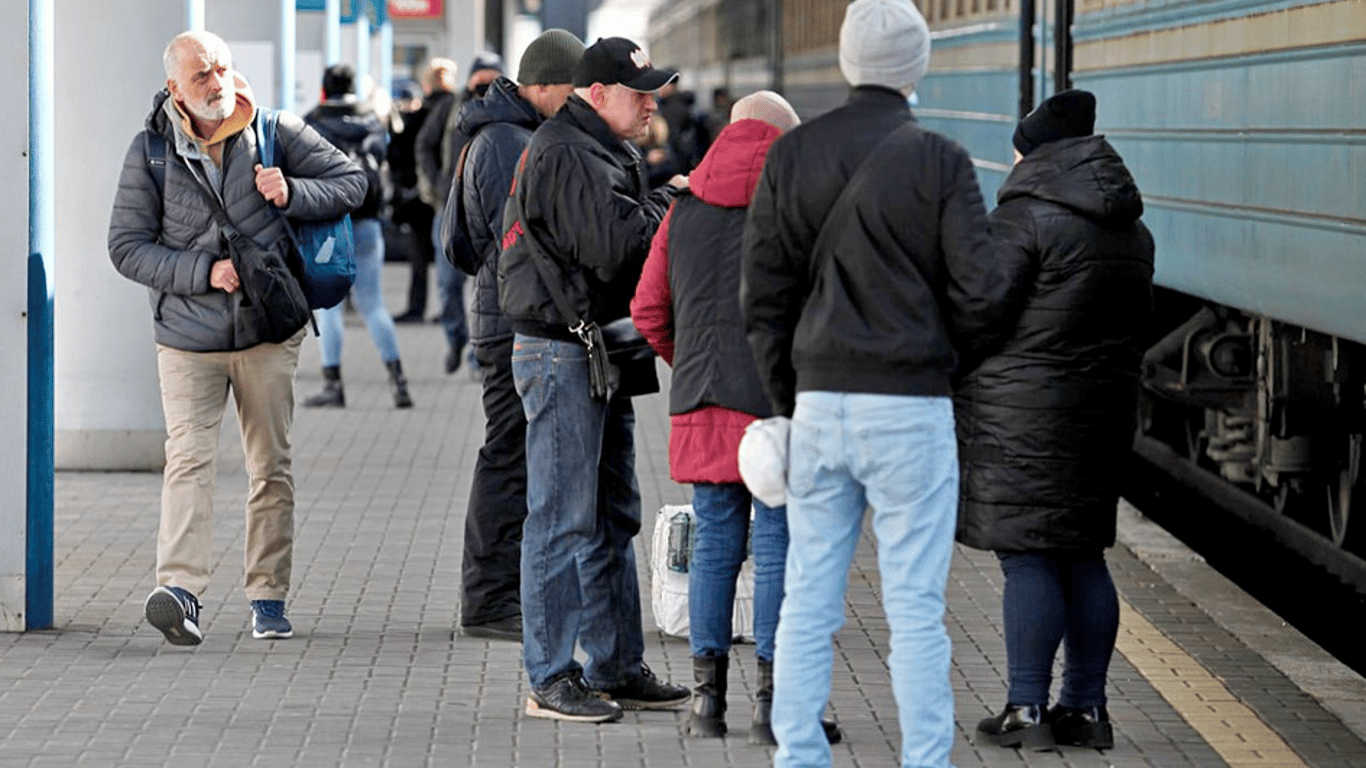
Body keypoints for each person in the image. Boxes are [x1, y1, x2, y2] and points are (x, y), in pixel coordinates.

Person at [740, 0, 1024, 765]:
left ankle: (799, 756)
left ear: (844, 61)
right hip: (912, 410)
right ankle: (924, 760)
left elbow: (761, 299)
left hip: (822, 404)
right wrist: (942, 365)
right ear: (917, 68)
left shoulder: (792, 154)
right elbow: (984, 294)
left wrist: (789, 402)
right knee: (916, 610)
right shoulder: (940, 159)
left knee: (808, 601)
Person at [108, 30, 364, 645]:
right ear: (175, 87)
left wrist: (295, 193)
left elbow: (353, 181)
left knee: (269, 466)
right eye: (201, 75)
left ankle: (268, 598)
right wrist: (202, 272)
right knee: (189, 461)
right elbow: (125, 247)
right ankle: (181, 592)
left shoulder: (275, 131)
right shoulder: (150, 152)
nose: (216, 82)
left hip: (267, 332)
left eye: (221, 68)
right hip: (186, 337)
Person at [631, 90, 846, 744]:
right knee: (781, 543)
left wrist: (690, 360)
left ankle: (707, 706)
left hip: (703, 396)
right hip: (781, 406)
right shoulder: (807, 212)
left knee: (716, 543)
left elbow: (648, 311)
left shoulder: (683, 208)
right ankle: (776, 708)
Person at [498, 36, 691, 723]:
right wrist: (675, 200)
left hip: (592, 350)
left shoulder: (595, 148)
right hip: (561, 354)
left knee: (611, 515)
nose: (652, 105)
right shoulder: (571, 152)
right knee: (560, 519)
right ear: (597, 93)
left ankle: (614, 665)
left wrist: (657, 197)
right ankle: (550, 677)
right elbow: (619, 248)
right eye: (641, 93)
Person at [957, 89, 1155, 751]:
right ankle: (1086, 710)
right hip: (1101, 415)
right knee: (1084, 553)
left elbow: (979, 311)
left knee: (1030, 556)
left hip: (1024, 417)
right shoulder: (1133, 230)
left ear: (1035, 156)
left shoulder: (1023, 219)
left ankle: (1027, 709)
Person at [443, 29, 587, 642]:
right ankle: (490, 599)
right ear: (547, 85)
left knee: (512, 454)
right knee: (508, 457)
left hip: (503, 315)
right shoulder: (507, 141)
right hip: (511, 322)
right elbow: (517, 240)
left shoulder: (503, 133)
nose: (581, 101)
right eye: (575, 88)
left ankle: (498, 594)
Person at [302, 63, 413, 410]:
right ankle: (399, 382)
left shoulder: (313, 121)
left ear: (324, 88)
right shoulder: (372, 121)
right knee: (373, 304)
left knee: (330, 307)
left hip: (329, 226)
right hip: (367, 221)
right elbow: (383, 160)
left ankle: (333, 386)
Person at [414, 56, 469, 374]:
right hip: (447, 209)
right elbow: (424, 145)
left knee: (486, 290)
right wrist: (438, 185)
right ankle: (456, 337)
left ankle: (481, 353)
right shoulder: (449, 108)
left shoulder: (505, 110)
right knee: (448, 284)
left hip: (488, 214)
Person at [389, 80, 436, 324]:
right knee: (419, 261)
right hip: (417, 204)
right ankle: (417, 308)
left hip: (425, 203)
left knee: (428, 260)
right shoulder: (403, 126)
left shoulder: (419, 126)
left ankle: (420, 309)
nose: (406, 107)